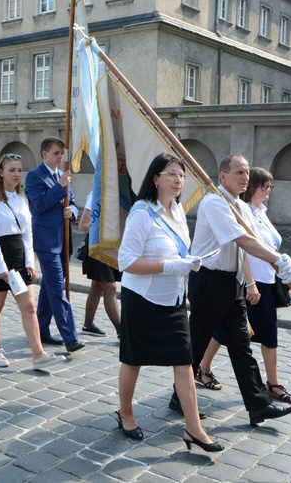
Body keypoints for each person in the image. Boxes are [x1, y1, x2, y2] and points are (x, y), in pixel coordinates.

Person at [115, 153, 222, 451]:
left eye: (182, 176)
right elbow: (126, 261)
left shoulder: (177, 210)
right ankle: (125, 413)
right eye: (172, 174)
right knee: (133, 360)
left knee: (184, 362)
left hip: (173, 300)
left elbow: (175, 254)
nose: (178, 181)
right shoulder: (141, 212)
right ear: (155, 178)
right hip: (143, 298)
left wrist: (187, 263)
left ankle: (194, 429)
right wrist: (169, 266)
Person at [187, 154, 291, 426]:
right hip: (208, 281)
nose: (245, 177)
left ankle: (259, 405)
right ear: (222, 176)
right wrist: (275, 259)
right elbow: (242, 240)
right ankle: (181, 396)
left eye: (247, 172)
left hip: (231, 283)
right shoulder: (215, 203)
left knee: (242, 346)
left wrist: (279, 257)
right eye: (238, 172)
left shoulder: (241, 206)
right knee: (196, 344)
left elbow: (256, 241)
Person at [0, 154, 66, 370]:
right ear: (1, 172)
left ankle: (38, 354)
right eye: (12, 170)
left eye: (19, 170)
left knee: (29, 307)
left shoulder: (22, 199)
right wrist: (1, 269)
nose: (17, 174)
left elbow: (27, 234)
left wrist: (29, 262)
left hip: (19, 260)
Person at [24, 137, 84, 353]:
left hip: (63, 241)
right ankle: (70, 337)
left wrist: (73, 212)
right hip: (46, 242)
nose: (60, 157)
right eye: (56, 153)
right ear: (45, 154)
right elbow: (39, 205)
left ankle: (40, 330)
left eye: (62, 153)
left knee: (49, 287)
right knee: (58, 289)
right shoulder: (34, 176)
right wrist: (59, 187)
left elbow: (74, 203)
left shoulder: (63, 177)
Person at [77, 191, 120, 338]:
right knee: (110, 287)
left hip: (111, 247)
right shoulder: (96, 194)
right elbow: (83, 225)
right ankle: (122, 332)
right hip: (97, 247)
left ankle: (87, 325)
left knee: (97, 285)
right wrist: (106, 231)